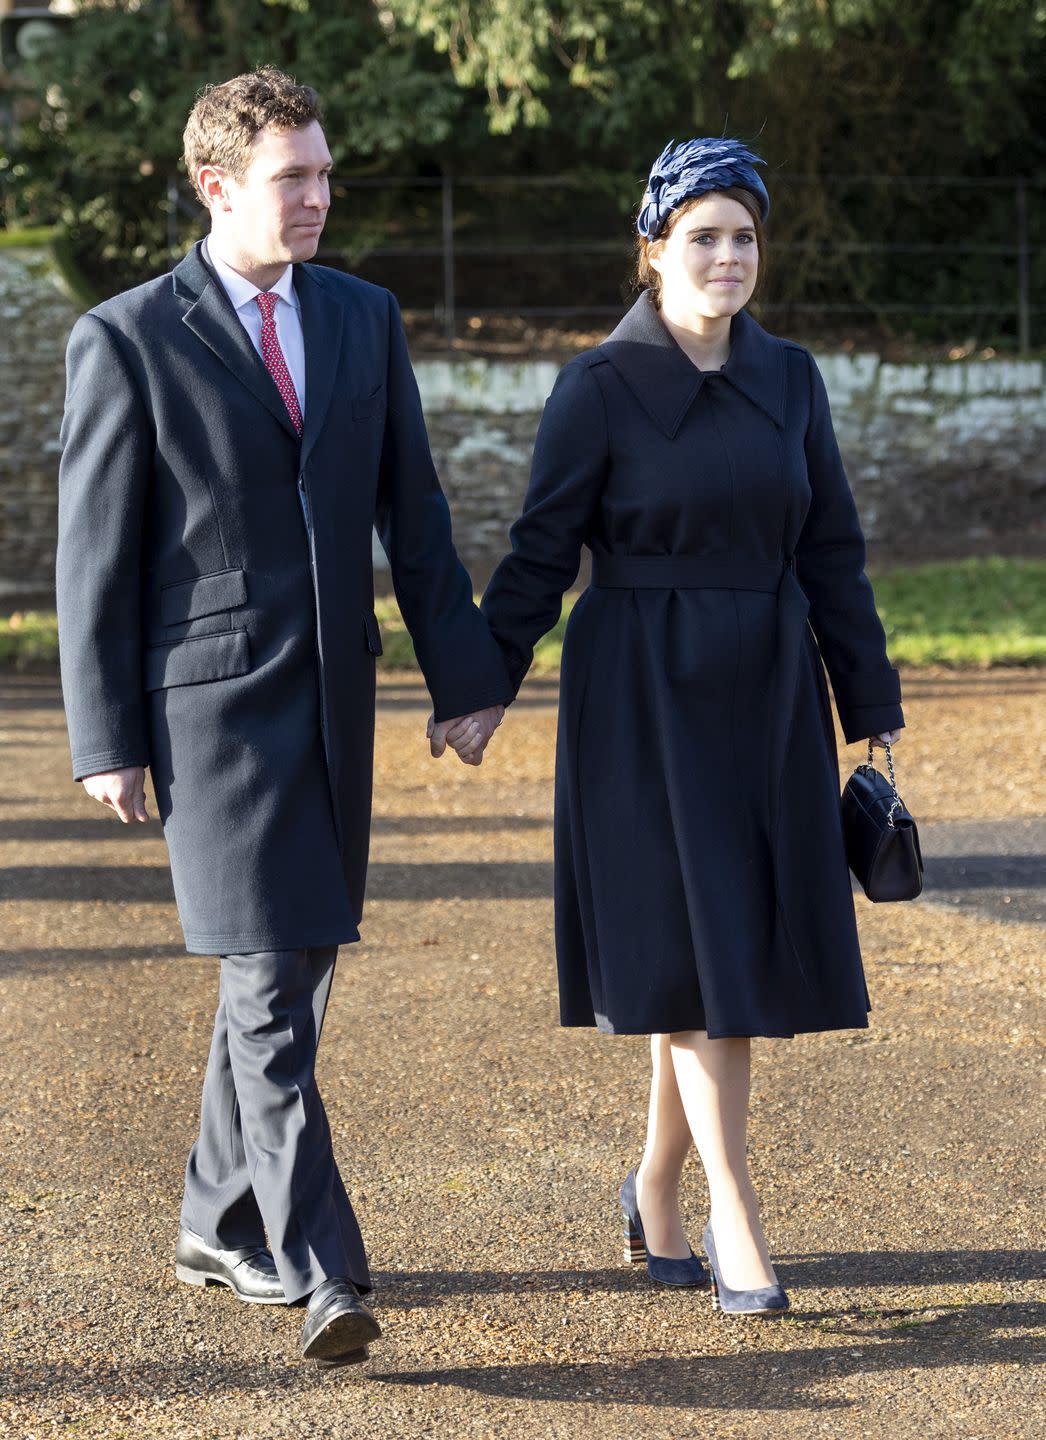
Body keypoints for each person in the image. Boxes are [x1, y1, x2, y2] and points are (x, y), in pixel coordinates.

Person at [56, 66, 509, 1364]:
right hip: (204, 712)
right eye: (292, 177)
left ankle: (212, 1218)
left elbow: (410, 511)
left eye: (323, 174)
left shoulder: (363, 318)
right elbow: (97, 552)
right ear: (217, 186)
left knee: (294, 967)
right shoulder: (128, 335)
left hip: (334, 701)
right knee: (266, 981)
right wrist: (107, 738)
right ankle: (323, 1270)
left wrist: (464, 677)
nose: (318, 197)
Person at [480, 138, 904, 1314]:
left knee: (712, 957)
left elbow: (831, 554)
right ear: (652, 248)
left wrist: (868, 709)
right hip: (638, 700)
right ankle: (734, 1212)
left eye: (745, 236)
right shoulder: (595, 389)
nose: (728, 256)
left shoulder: (793, 380)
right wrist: (483, 679)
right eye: (703, 234)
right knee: (698, 954)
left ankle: (657, 1189)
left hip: (768, 694)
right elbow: (538, 553)